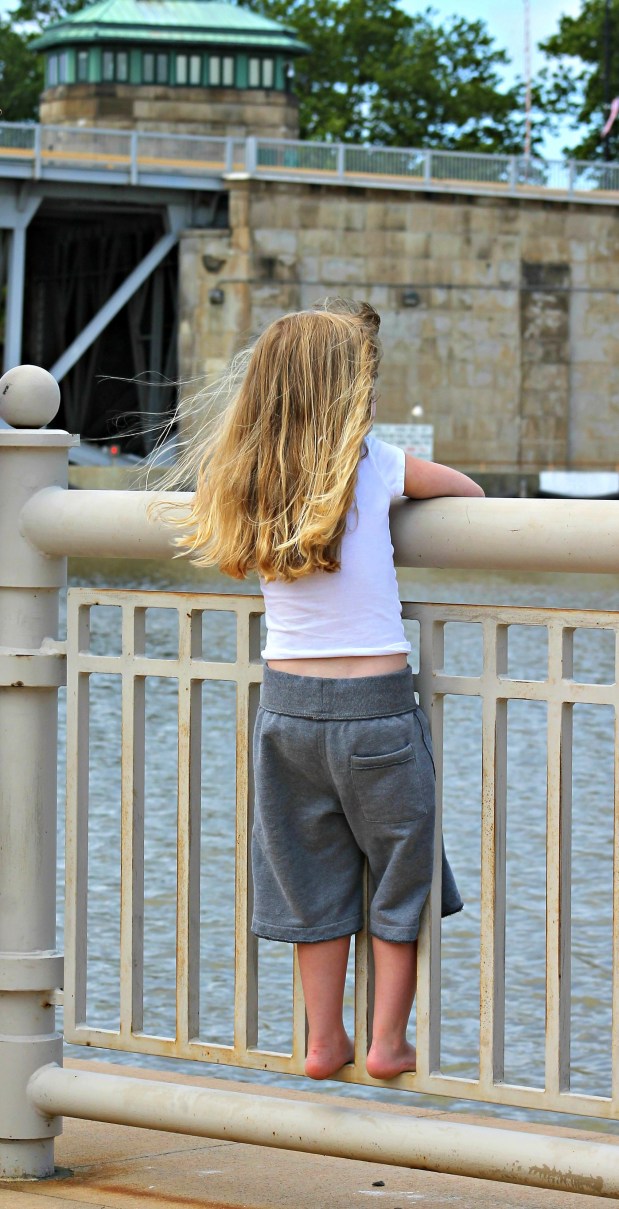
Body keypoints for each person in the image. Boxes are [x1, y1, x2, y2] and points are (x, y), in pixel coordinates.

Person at [173, 299, 485, 1081]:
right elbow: (470, 494)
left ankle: (322, 1040)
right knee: (400, 870)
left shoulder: (242, 476)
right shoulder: (375, 464)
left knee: (307, 877)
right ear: (351, 394)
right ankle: (387, 1041)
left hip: (286, 715)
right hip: (377, 712)